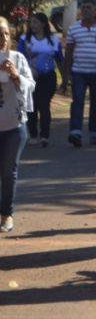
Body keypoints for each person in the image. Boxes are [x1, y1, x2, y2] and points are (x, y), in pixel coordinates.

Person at [63, 0, 96, 147]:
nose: (85, 10)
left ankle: (94, 134)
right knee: (77, 101)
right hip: (79, 72)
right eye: (83, 8)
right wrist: (67, 73)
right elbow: (69, 51)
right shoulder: (74, 28)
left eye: (88, 7)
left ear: (95, 10)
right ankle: (75, 132)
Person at [0, 17, 36, 233]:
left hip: (14, 125)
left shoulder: (18, 58)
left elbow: (30, 84)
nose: (3, 38)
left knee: (8, 171)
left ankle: (7, 214)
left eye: (5, 34)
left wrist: (14, 75)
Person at [17, 12, 62, 146]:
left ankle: (44, 135)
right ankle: (33, 133)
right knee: (32, 106)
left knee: (44, 104)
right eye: (31, 22)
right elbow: (19, 57)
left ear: (43, 23)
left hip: (48, 77)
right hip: (29, 77)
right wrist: (28, 70)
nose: (33, 25)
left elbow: (60, 59)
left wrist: (66, 77)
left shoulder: (53, 40)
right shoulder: (25, 39)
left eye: (35, 22)